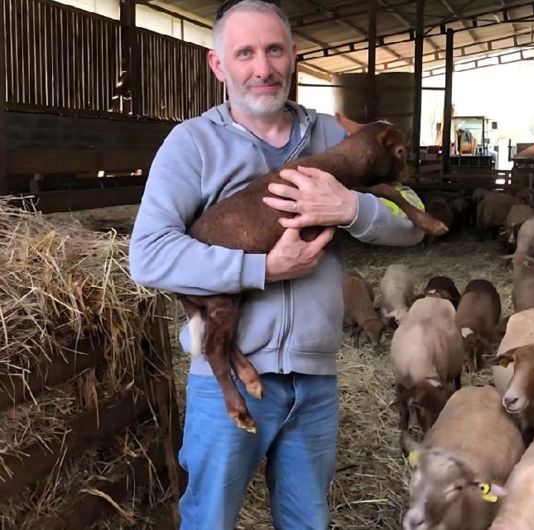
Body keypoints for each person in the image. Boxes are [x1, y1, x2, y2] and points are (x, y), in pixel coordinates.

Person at [127, 1, 425, 529]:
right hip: (229, 383)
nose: (262, 68)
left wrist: (350, 208)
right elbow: (149, 255)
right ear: (218, 65)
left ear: (293, 56)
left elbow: (411, 222)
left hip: (315, 380)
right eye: (244, 53)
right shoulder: (192, 144)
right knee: (210, 521)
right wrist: (259, 270)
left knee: (307, 521)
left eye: (273, 50)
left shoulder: (337, 139)